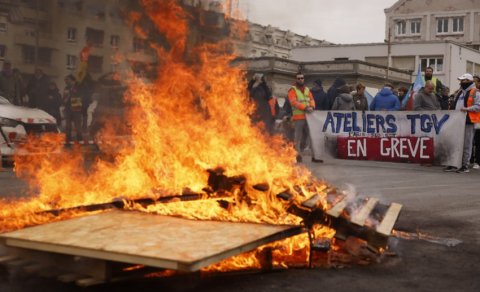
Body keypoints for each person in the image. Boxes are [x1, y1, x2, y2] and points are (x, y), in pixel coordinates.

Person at [444, 73, 480, 173]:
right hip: (457, 121)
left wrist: (467, 109)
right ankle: (454, 164)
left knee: (467, 144)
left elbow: (478, 106)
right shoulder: (459, 92)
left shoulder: (475, 92)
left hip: (469, 121)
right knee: (455, 143)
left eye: (463, 80)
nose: (461, 82)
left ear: (469, 81)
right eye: (461, 80)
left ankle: (465, 165)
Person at [287, 72, 316, 163]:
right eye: (298, 78)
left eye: (302, 78)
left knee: (310, 136)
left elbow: (312, 100)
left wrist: (312, 107)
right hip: (298, 117)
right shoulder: (292, 90)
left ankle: (311, 155)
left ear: (304, 79)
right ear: (296, 79)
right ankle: (297, 155)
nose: (300, 80)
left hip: (308, 117)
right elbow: (293, 102)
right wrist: (306, 108)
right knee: (298, 138)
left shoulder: (307, 89)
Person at [63, 74, 83, 143]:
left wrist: (73, 92)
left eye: (67, 80)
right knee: (68, 125)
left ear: (72, 80)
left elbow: (81, 96)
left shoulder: (78, 87)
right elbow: (64, 98)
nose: (66, 81)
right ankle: (68, 139)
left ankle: (80, 139)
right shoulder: (66, 88)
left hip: (76, 108)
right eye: (65, 80)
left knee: (77, 125)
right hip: (68, 109)